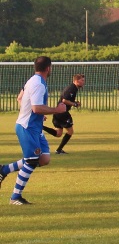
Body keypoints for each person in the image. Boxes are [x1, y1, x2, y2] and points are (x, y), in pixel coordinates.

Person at [1, 56, 69, 205]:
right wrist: (56, 110)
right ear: (48, 68)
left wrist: (36, 113)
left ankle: (4, 170)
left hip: (35, 128)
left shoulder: (32, 80)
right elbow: (36, 108)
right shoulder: (38, 84)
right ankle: (15, 197)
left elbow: (20, 98)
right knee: (32, 160)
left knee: (44, 159)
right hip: (27, 127)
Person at [41, 74, 85, 154]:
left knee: (58, 133)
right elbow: (64, 100)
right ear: (76, 81)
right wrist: (74, 104)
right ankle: (59, 150)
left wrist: (74, 102)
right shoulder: (72, 88)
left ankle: (41, 127)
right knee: (70, 131)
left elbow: (67, 99)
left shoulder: (73, 88)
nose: (83, 82)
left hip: (58, 113)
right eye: (82, 80)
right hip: (62, 113)